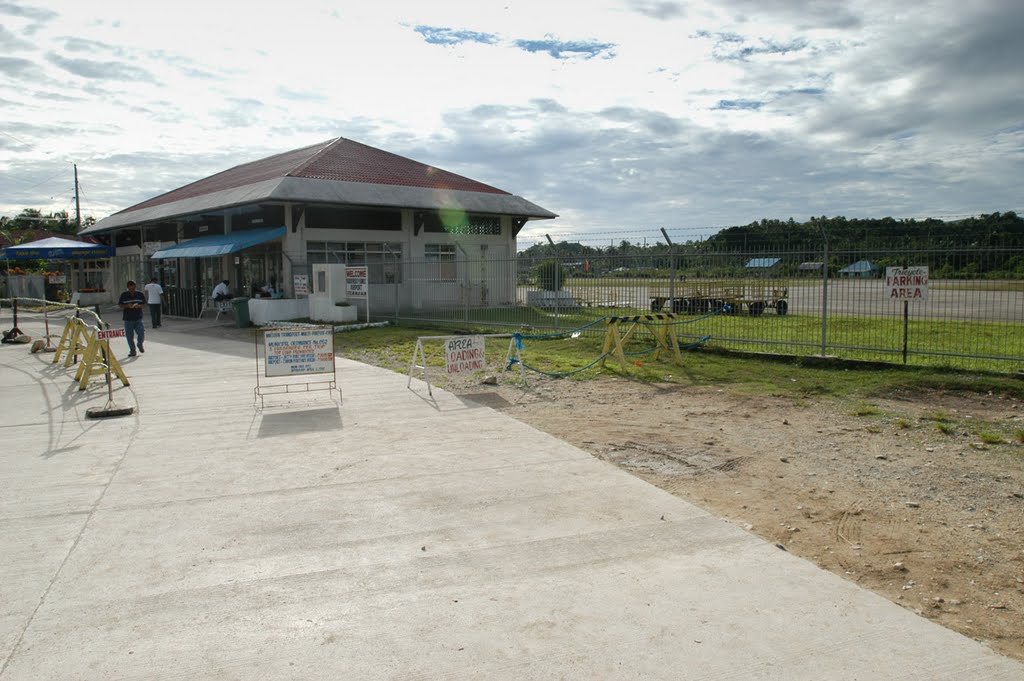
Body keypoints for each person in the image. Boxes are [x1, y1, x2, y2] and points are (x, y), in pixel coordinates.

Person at [118, 280, 146, 357]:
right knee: (129, 336)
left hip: (138, 318)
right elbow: (120, 305)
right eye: (130, 288)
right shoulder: (124, 295)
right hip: (128, 319)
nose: (132, 290)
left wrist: (139, 306)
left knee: (141, 333)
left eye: (133, 288)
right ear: (127, 288)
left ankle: (140, 344)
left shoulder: (140, 294)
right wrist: (127, 306)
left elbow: (144, 304)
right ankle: (132, 351)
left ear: (135, 287)